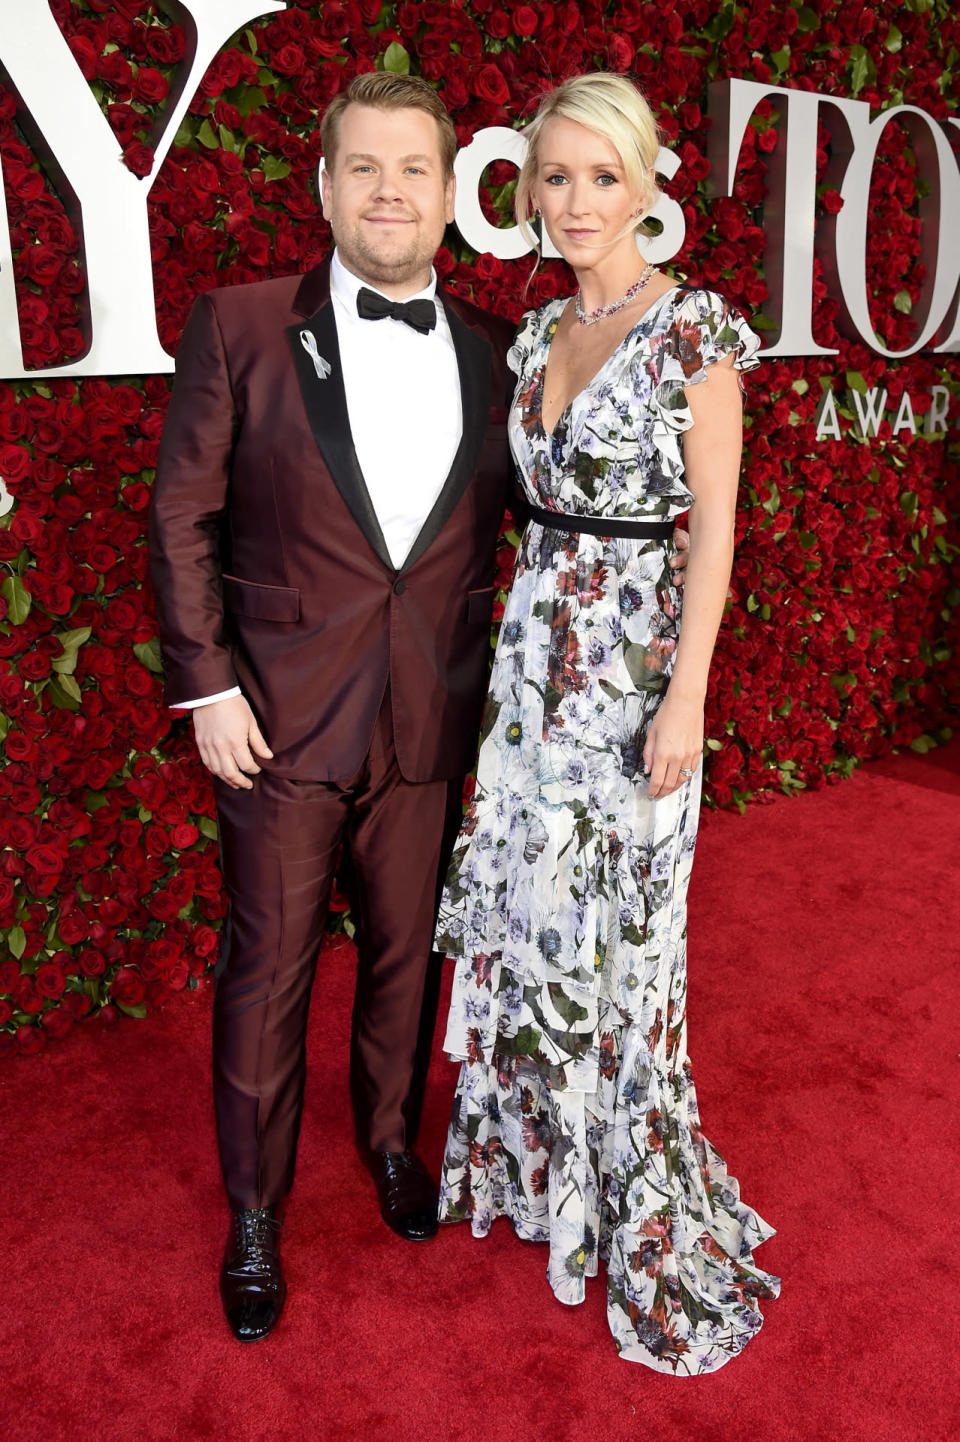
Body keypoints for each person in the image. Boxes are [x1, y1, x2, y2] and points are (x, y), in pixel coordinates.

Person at [149, 68, 692, 1344]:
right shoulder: (236, 325)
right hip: (271, 723)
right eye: (365, 168)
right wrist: (207, 685)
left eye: (415, 171)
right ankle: (256, 1215)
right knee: (267, 973)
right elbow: (183, 516)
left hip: (432, 720)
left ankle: (393, 1145)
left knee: (406, 960)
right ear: (325, 184)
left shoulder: (507, 351)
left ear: (453, 196)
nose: (389, 192)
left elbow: (574, 523)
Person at [433, 72, 780, 1375]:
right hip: (530, 679)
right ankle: (533, 1167)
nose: (576, 202)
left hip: (632, 689)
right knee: (528, 924)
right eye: (554, 179)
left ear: (646, 187)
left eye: (600, 176)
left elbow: (716, 529)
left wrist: (686, 695)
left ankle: (618, 1176)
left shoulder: (696, 331)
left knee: (622, 952)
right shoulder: (529, 340)